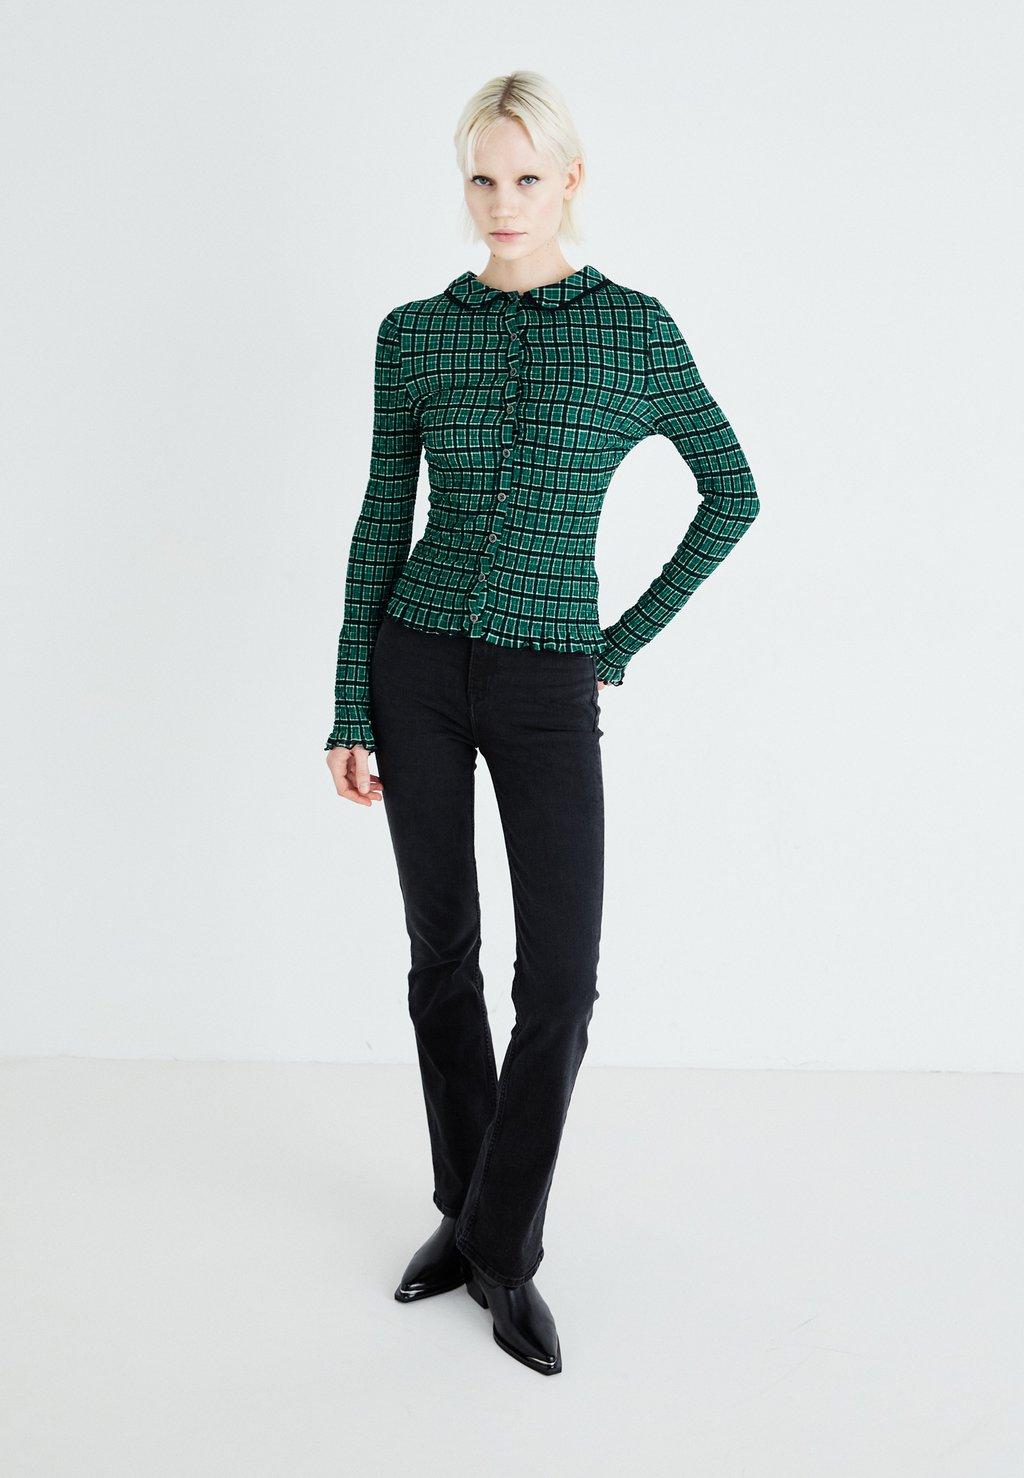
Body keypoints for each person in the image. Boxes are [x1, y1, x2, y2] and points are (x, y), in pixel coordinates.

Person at [324, 70, 759, 1376]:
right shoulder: (414, 333)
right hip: (415, 663)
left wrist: (617, 644)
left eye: (526, 177)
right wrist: (349, 699)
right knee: (440, 955)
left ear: (571, 181)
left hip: (547, 681)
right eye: (481, 178)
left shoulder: (634, 331)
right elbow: (380, 520)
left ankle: (503, 1245)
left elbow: (732, 492)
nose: (501, 202)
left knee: (559, 980)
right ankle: (462, 1210)